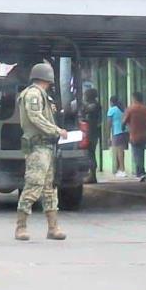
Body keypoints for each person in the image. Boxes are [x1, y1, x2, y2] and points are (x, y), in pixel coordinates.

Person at [15, 62, 68, 241]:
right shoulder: (33, 94)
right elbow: (35, 117)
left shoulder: (43, 95)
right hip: (37, 147)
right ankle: (20, 227)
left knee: (49, 189)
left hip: (46, 147)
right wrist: (56, 130)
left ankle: (53, 228)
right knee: (33, 185)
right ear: (47, 78)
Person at [123, 92, 146, 182]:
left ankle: (140, 173)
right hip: (144, 136)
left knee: (136, 155)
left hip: (134, 135)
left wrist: (124, 127)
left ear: (134, 98)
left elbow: (124, 122)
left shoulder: (130, 109)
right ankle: (141, 171)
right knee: (141, 154)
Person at [80, 88, 102, 184]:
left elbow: (86, 111)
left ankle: (92, 175)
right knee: (90, 153)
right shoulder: (95, 105)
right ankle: (91, 175)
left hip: (91, 132)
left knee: (90, 153)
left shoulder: (94, 105)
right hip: (92, 132)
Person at [107, 96, 127, 177]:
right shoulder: (122, 109)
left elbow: (109, 123)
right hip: (124, 132)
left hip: (117, 132)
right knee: (121, 151)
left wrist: (108, 136)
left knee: (118, 152)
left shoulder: (111, 110)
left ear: (111, 102)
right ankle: (121, 169)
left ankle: (122, 170)